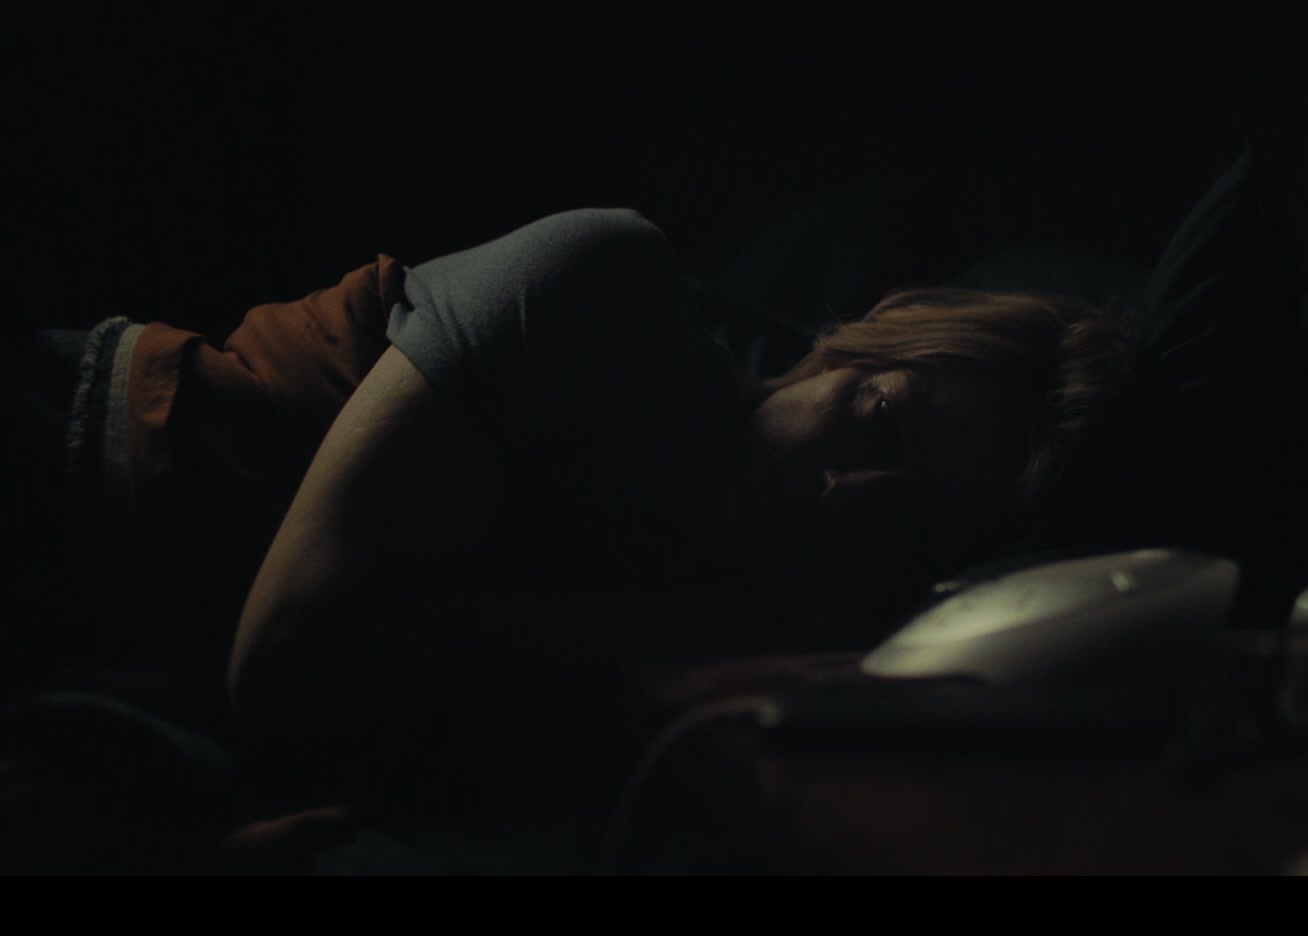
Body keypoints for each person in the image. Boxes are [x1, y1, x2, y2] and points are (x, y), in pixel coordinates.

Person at [208, 208, 1134, 787]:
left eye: (910, 516)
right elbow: (285, 661)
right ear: (847, 349)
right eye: (881, 425)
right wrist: (727, 624)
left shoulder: (761, 657)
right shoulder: (604, 286)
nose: (846, 494)